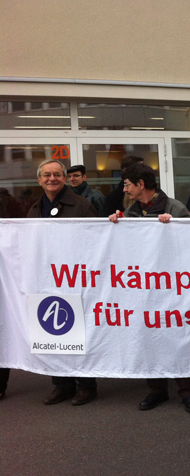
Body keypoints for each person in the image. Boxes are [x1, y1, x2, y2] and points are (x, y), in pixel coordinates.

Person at [108, 163, 190, 414]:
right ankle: (156, 390)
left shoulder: (175, 208)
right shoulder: (131, 212)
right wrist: (116, 225)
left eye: (127, 184)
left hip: (171, 286)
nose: (124, 189)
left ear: (141, 184)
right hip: (144, 287)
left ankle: (187, 391)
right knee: (148, 337)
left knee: (176, 337)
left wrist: (174, 230)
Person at [27, 159, 99, 406]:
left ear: (65, 178)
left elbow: (95, 243)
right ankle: (62, 384)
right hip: (46, 279)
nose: (52, 179)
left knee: (79, 333)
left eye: (57, 174)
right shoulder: (34, 209)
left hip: (75, 278)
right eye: (47, 175)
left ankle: (86, 385)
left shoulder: (82, 205)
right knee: (53, 332)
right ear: (39, 180)